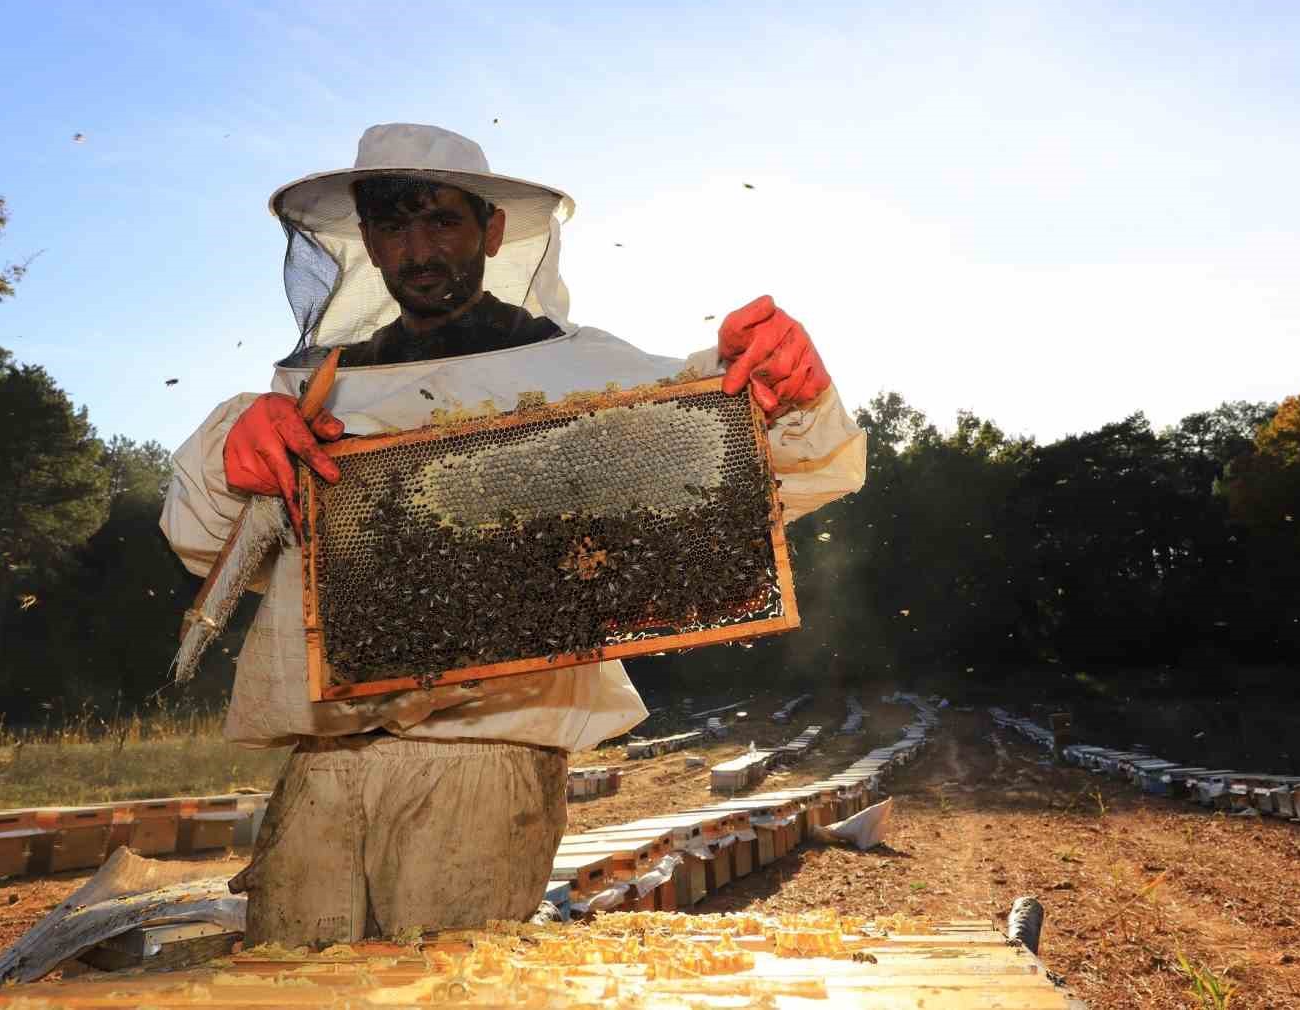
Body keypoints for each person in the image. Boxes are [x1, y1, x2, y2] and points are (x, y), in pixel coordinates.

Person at [159, 124, 866, 946]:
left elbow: (774, 465)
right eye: (392, 226)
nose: (418, 250)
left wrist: (792, 389)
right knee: (288, 985)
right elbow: (207, 546)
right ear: (367, 241)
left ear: (492, 231)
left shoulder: (578, 370)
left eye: (442, 222)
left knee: (445, 989)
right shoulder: (314, 391)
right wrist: (230, 451)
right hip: (323, 768)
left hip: (487, 764)